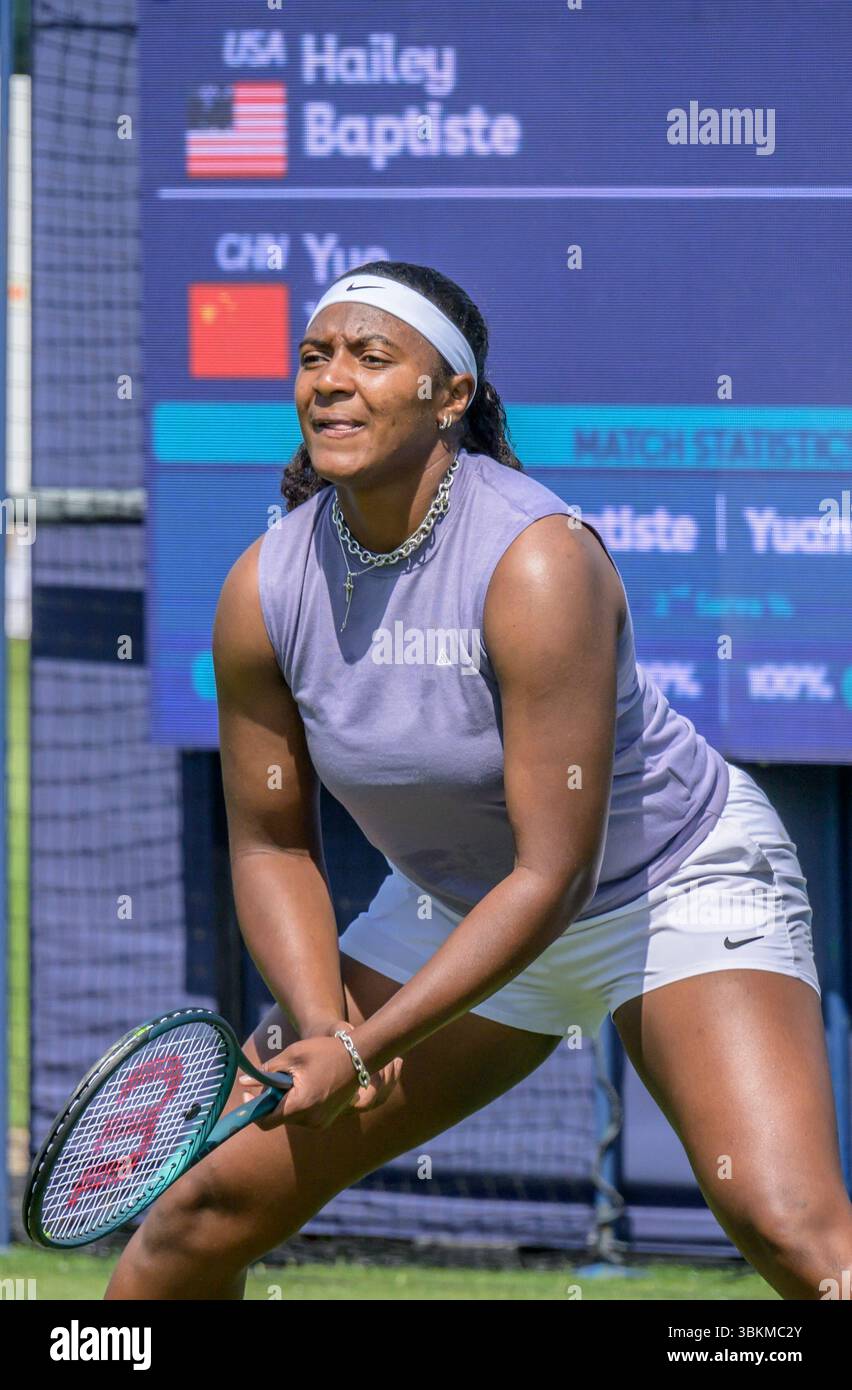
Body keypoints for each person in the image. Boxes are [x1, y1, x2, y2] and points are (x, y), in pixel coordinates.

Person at [106, 261, 851, 1300]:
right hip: (457, 902)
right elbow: (271, 841)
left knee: (794, 1233)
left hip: (671, 890)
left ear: (449, 396)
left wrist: (360, 1052)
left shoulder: (537, 561)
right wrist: (322, 1028)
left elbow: (555, 873)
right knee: (200, 1214)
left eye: (372, 357)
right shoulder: (261, 589)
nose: (331, 380)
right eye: (315, 356)